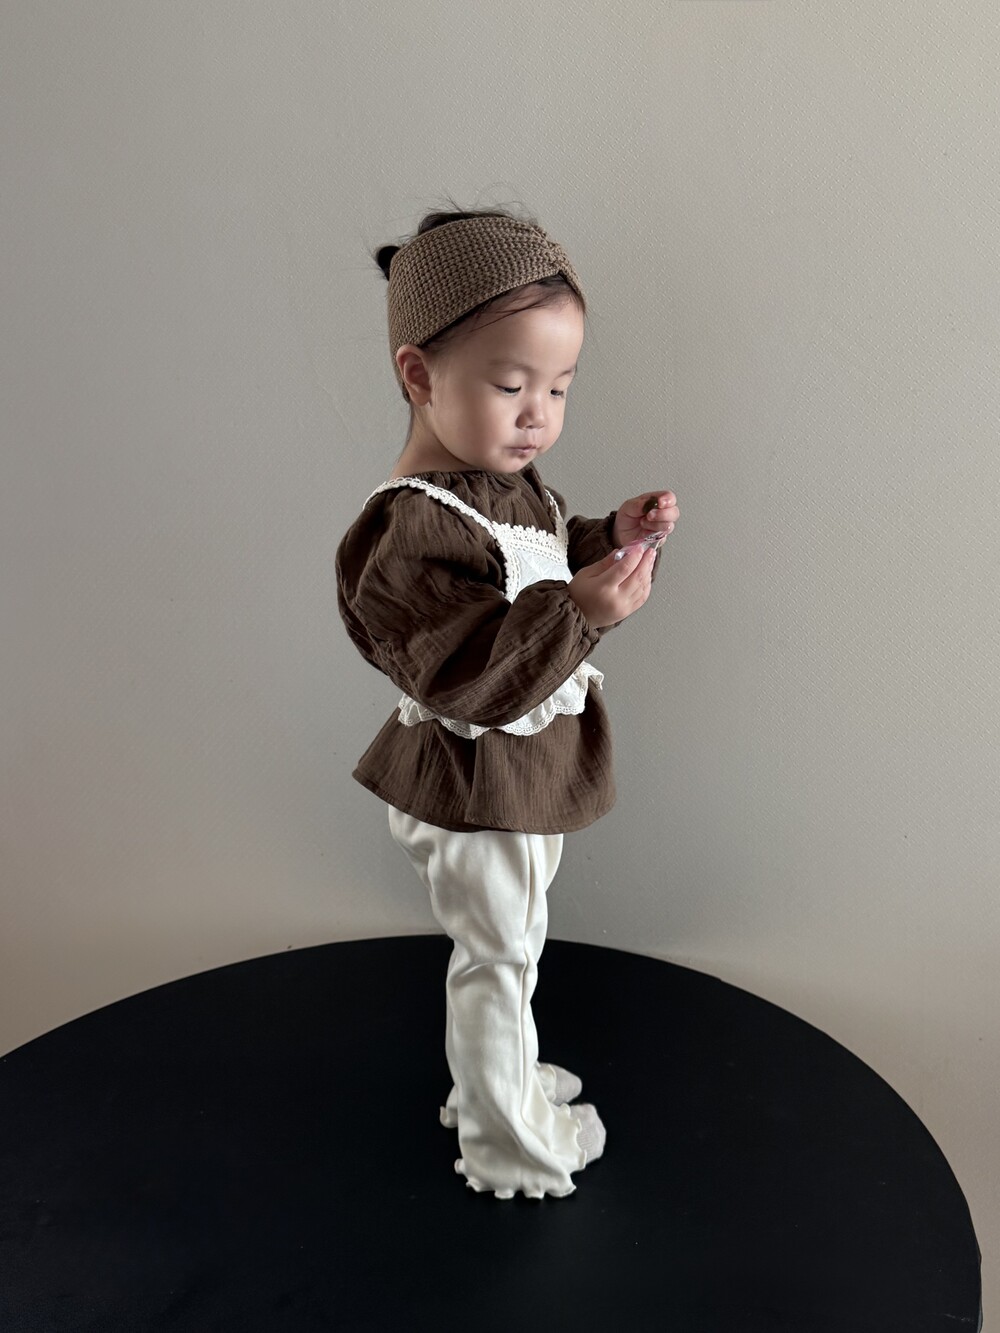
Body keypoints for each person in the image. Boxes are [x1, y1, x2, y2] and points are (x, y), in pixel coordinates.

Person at [336, 206, 679, 1199]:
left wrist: (609, 537)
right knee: (494, 954)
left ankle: (503, 1079)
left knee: (514, 944)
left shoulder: (508, 490)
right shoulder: (408, 529)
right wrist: (582, 612)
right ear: (419, 375)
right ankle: (504, 1139)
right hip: (473, 783)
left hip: (520, 777)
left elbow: (537, 560)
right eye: (511, 384)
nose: (539, 414)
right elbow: (466, 668)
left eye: (559, 387)